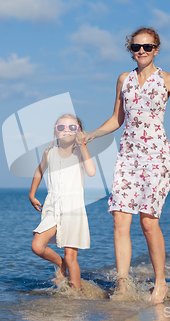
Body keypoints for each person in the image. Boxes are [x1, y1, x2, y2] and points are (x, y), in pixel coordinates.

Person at [85, 27, 170, 303]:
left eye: (147, 47)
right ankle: (123, 284)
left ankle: (160, 283)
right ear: (130, 50)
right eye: (136, 47)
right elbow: (117, 119)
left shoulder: (167, 79)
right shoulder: (123, 79)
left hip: (157, 156)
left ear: (156, 50)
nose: (141, 51)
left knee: (148, 223)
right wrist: (92, 134)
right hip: (128, 157)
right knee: (119, 219)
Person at [29, 113, 96, 291]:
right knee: (37, 245)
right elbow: (39, 170)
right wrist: (32, 194)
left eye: (72, 128)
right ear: (55, 132)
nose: (66, 131)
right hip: (53, 206)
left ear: (79, 132)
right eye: (61, 127)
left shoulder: (80, 153)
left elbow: (91, 172)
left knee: (71, 255)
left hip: (73, 209)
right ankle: (61, 264)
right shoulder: (49, 153)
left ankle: (76, 294)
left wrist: (83, 146)